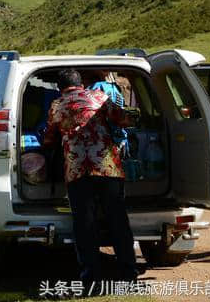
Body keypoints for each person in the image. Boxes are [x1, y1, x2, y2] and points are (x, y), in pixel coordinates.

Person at [43, 69, 137, 286]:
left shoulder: (57, 106)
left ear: (60, 87)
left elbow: (49, 139)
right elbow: (122, 119)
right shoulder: (100, 97)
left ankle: (91, 276)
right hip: (107, 168)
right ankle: (128, 272)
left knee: (85, 224)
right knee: (118, 221)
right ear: (82, 84)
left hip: (77, 171)